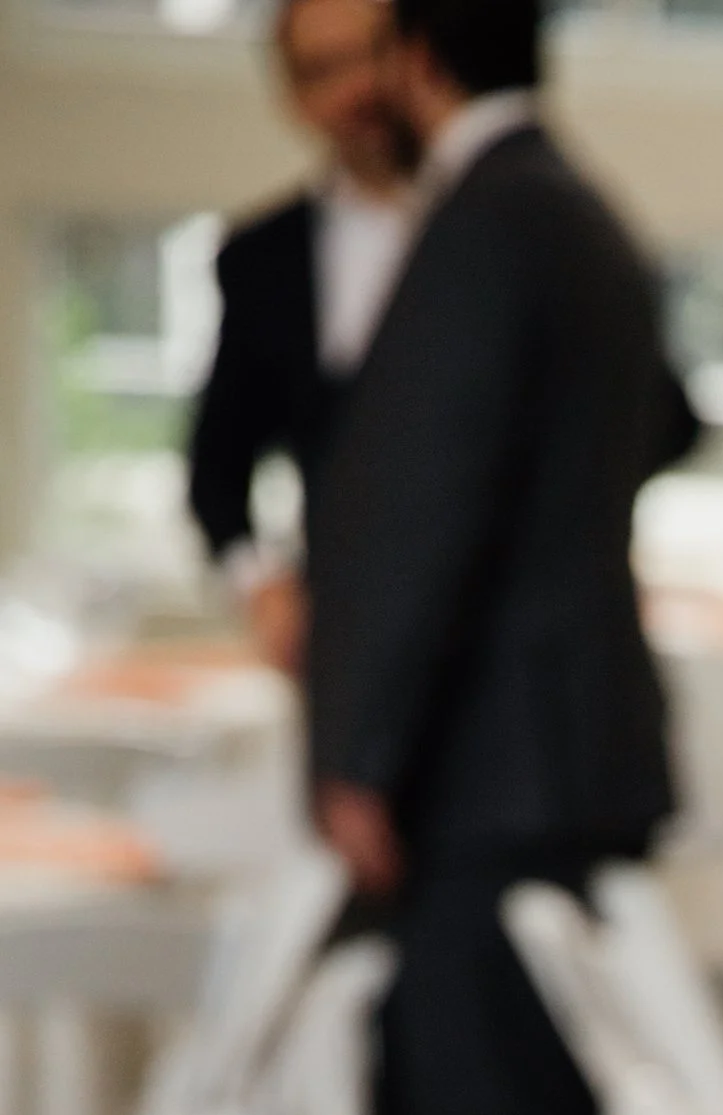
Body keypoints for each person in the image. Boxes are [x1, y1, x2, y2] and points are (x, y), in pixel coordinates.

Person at [304, 0, 698, 1115]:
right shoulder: (578, 205)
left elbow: (427, 509)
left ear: (418, 60)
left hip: (487, 762)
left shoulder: (486, 220)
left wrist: (360, 751)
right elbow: (670, 419)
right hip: (563, 739)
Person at [186, 0, 417, 675]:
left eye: (372, 54)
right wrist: (263, 586)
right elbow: (217, 469)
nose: (360, 88)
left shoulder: (507, 225)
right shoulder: (264, 259)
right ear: (293, 97)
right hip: (348, 642)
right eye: (324, 70)